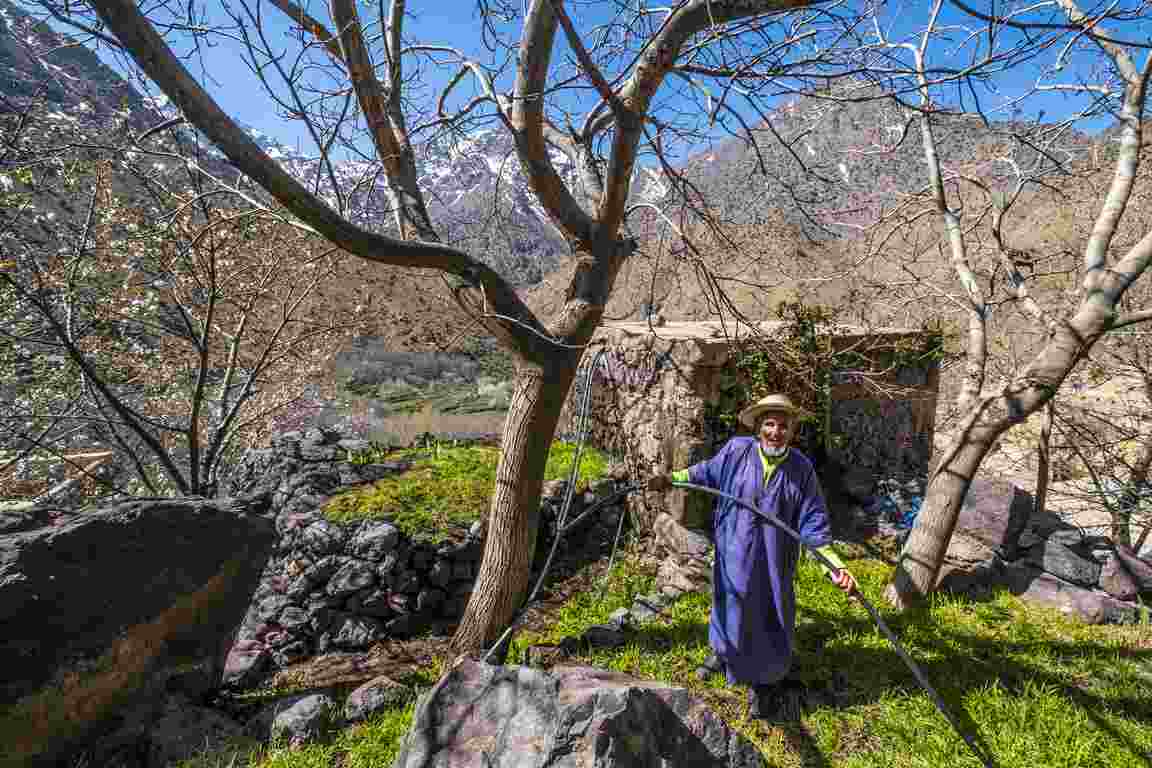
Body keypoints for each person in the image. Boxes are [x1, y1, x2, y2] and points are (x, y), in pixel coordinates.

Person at [647, 393, 857, 719]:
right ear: (759, 426)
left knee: (770, 609)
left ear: (792, 431)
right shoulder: (737, 451)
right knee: (729, 601)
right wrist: (671, 479)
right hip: (734, 549)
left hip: (774, 559)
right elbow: (706, 472)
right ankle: (722, 654)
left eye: (783, 426)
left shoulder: (801, 470)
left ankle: (765, 679)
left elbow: (814, 523)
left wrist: (835, 567)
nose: (775, 432)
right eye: (769, 424)